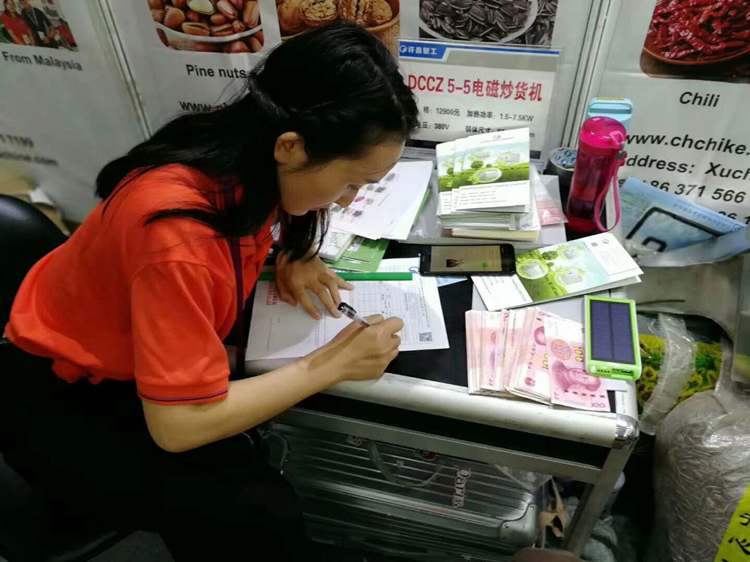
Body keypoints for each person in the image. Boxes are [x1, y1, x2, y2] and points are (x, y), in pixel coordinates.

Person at [1, 22, 418, 561]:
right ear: (290, 147)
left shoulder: (241, 149)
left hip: (115, 358)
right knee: (252, 510)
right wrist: (329, 364)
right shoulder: (177, 235)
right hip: (62, 402)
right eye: (350, 183)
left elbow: (268, 210)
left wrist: (294, 251)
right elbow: (178, 426)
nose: (347, 202)